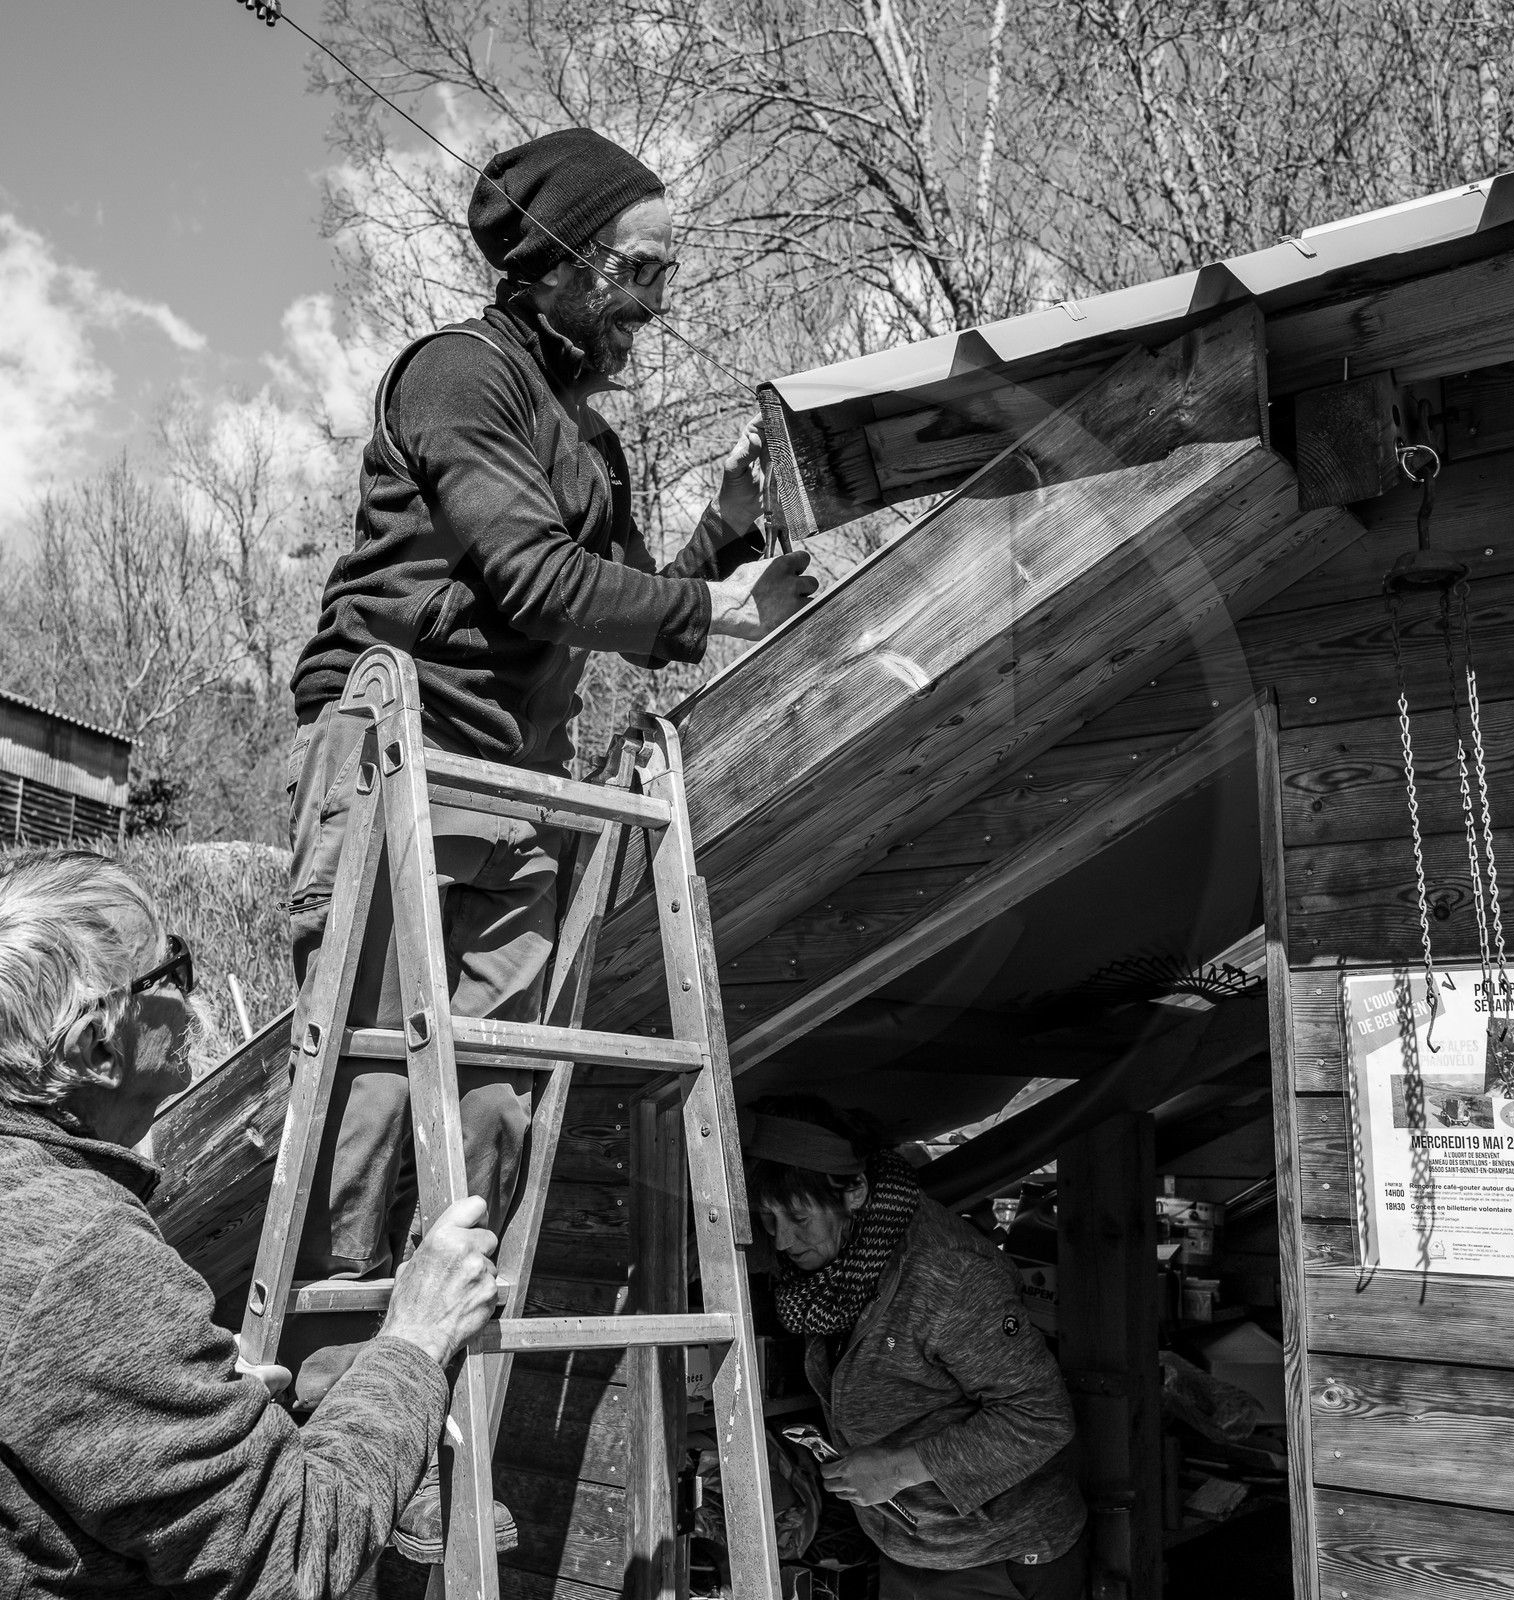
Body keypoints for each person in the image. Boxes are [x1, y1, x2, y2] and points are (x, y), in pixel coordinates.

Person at [280, 128, 818, 1552]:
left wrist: (717, 543)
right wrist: (707, 619)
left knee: (499, 1109)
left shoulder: (588, 433)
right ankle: (346, 1429)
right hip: (395, 754)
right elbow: (526, 573)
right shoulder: (459, 375)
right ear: (560, 261)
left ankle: (432, 1420)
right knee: (375, 1101)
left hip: (512, 786)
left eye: (666, 270)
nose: (655, 297)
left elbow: (620, 594)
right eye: (638, 268)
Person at [0, 850, 504, 1600]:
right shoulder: (82, 1255)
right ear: (97, 1048)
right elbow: (289, 1553)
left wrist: (175, 1379)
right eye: (166, 974)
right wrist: (417, 1340)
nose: (189, 991)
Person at [744, 1096, 1087, 1600]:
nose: (781, 1242)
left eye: (798, 1217)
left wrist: (897, 1468)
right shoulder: (840, 1268)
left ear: (855, 1190)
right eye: (769, 1219)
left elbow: (1040, 1417)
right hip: (909, 1546)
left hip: (1000, 1556)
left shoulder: (952, 1276)